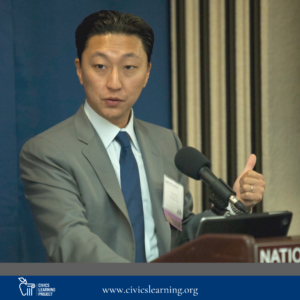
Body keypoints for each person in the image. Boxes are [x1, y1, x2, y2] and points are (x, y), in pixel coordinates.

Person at [19, 10, 266, 263]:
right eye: (100, 66)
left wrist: (235, 207)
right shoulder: (47, 151)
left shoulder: (167, 143)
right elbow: (70, 240)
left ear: (147, 72)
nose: (114, 83)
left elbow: (179, 230)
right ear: (79, 69)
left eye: (129, 67)